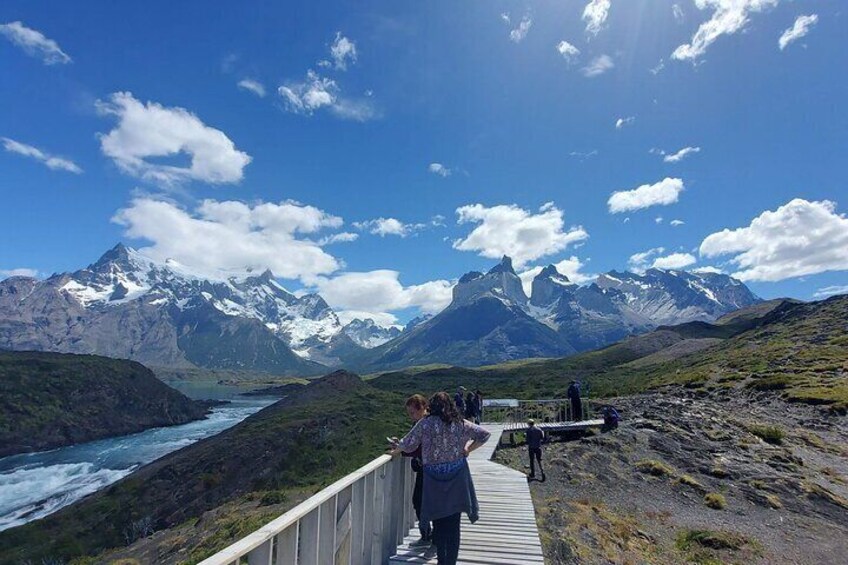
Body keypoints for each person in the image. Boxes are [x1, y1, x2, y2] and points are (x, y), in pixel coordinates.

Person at [393, 392, 491, 565]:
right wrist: (468, 448)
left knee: (439, 521)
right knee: (454, 524)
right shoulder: (460, 423)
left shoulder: (425, 424)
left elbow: (407, 445)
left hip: (433, 479)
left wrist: (396, 445)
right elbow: (484, 434)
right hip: (457, 477)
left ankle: (442, 561)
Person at [402, 394, 432, 546]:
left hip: (427, 469)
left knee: (419, 501)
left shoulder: (424, 424)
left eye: (413, 412)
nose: (411, 416)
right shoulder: (426, 422)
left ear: (422, 409)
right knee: (425, 502)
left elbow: (419, 446)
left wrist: (401, 450)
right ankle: (431, 535)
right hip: (427, 468)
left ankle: (427, 535)